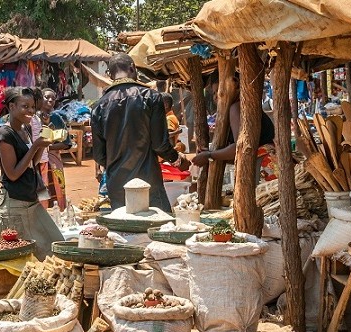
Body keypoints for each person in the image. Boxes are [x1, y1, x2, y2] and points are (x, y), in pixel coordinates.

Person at [91, 53, 190, 212]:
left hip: (117, 185)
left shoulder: (98, 106)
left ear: (110, 74)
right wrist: (177, 159)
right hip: (148, 181)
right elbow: (160, 144)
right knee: (159, 229)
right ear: (132, 68)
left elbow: (99, 155)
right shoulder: (151, 97)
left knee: (125, 232)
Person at [0, 87, 64, 259]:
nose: (31, 111)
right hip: (14, 205)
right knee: (20, 261)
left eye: (32, 107)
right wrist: (35, 146)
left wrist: (42, 144)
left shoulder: (24, 130)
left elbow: (32, 162)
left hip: (30, 201)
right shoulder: (4, 135)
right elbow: (13, 174)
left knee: (56, 248)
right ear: (11, 106)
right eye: (25, 106)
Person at [191, 72, 277, 182]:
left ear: (234, 85)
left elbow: (239, 147)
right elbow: (241, 153)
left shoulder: (236, 108)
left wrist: (209, 155)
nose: (216, 97)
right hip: (268, 165)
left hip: (266, 168)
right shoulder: (243, 106)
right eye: (213, 93)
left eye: (219, 91)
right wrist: (211, 154)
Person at [39, 88, 71, 208]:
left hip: (53, 160)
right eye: (47, 97)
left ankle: (60, 213)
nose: (50, 100)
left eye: (53, 98)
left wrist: (47, 147)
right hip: (38, 161)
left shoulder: (57, 118)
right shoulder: (33, 118)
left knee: (57, 188)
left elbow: (66, 143)